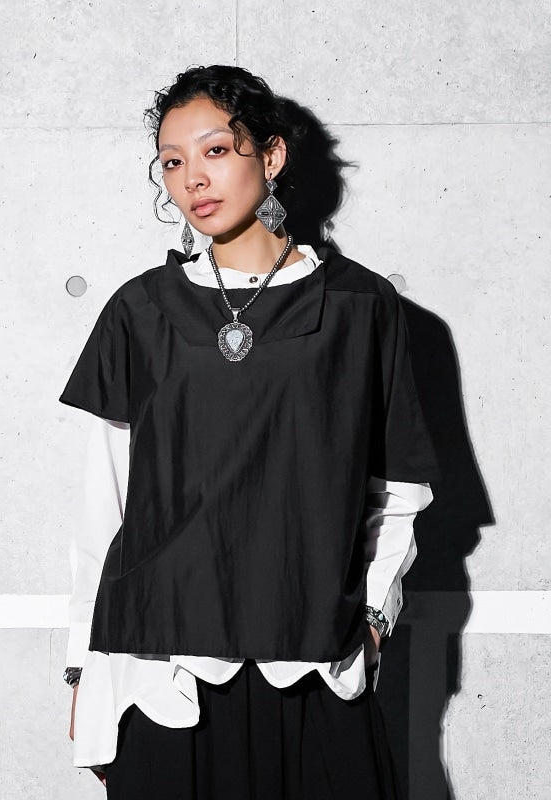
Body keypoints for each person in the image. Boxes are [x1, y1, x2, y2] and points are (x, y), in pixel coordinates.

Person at [59, 64, 438, 799]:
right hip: (160, 667)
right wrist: (83, 667)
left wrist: (370, 619)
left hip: (313, 653)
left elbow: (397, 487)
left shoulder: (359, 305)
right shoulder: (141, 310)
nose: (194, 178)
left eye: (215, 151)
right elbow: (103, 502)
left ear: (271, 156)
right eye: (172, 162)